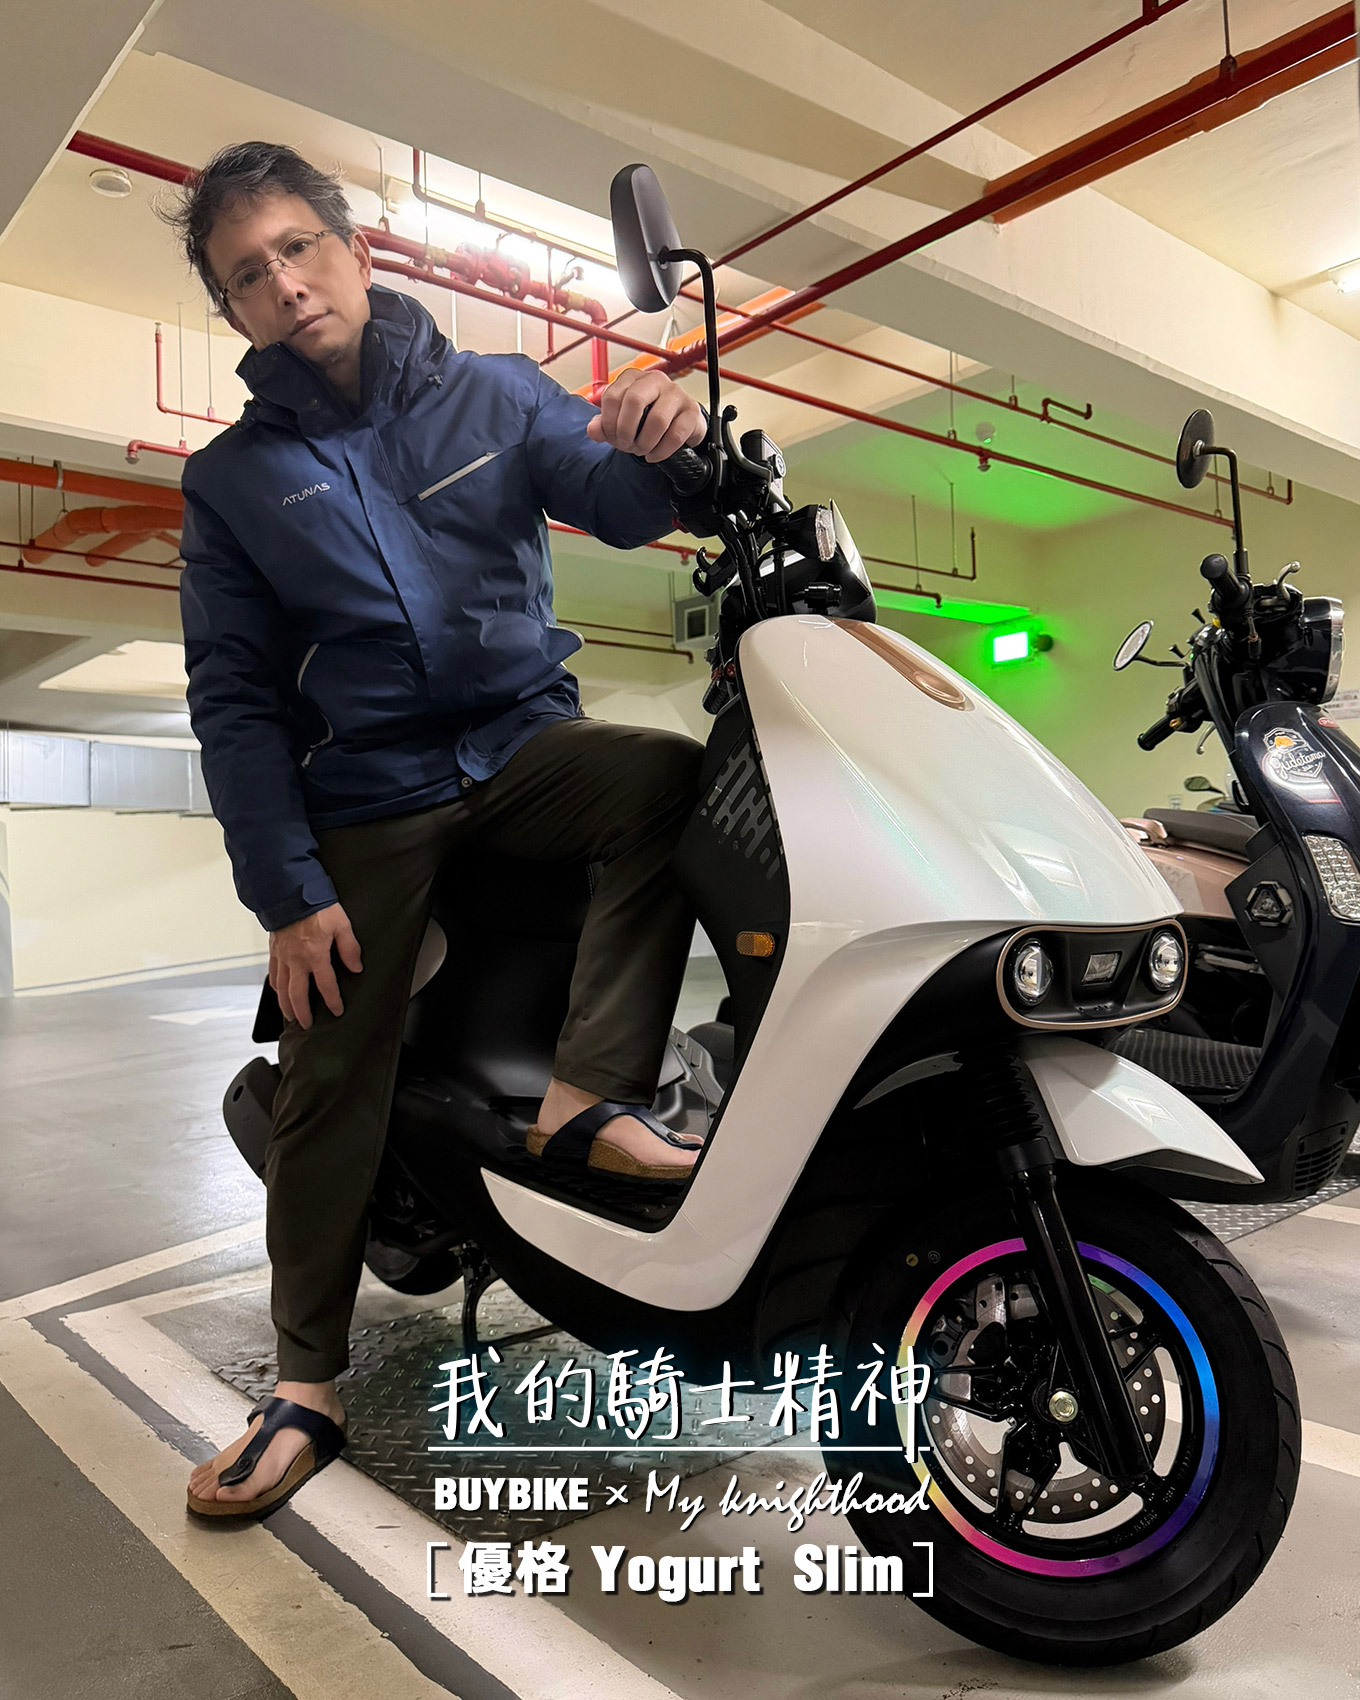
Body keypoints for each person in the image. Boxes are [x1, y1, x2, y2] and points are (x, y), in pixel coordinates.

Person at [167, 142, 707, 1517]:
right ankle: (305, 1388)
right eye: (246, 276)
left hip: (524, 746)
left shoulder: (497, 393)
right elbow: (233, 700)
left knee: (679, 782)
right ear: (234, 312)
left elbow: (619, 499)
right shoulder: (233, 482)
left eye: (297, 248)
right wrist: (288, 893)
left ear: (355, 249)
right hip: (371, 794)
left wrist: (664, 433)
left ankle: (589, 1102)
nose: (284, 286)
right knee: (330, 1059)